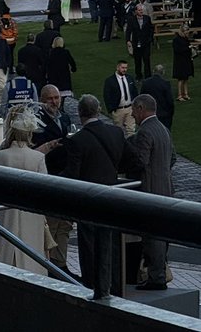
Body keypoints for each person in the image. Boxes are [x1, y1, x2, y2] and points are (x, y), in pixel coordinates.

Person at [64, 94, 125, 293]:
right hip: (113, 197)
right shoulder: (116, 133)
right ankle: (114, 286)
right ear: (98, 110)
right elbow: (132, 160)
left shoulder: (77, 140)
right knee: (112, 243)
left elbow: (72, 175)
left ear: (80, 113)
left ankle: (92, 287)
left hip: (88, 201)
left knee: (90, 247)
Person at [121, 94, 175, 290]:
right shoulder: (163, 129)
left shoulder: (145, 132)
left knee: (153, 236)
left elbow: (140, 161)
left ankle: (156, 277)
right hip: (166, 188)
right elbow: (173, 158)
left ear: (141, 108)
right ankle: (157, 274)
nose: (133, 115)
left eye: (134, 110)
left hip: (150, 190)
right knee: (161, 234)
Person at [0, 106, 49, 273]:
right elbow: (45, 189)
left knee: (6, 255)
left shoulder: (0, 156)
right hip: (32, 215)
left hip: (7, 214)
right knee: (33, 256)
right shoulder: (38, 158)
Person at [102, 59, 137, 135]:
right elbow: (107, 96)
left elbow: (134, 92)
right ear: (117, 67)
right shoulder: (110, 81)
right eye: (123, 68)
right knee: (118, 131)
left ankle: (131, 146)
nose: (125, 70)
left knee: (131, 130)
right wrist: (111, 110)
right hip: (118, 110)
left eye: (126, 68)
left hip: (130, 108)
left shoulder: (129, 78)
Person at [141, 64, 176, 131]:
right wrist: (170, 113)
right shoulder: (165, 84)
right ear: (163, 72)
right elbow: (170, 101)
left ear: (153, 71)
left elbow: (142, 99)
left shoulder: (145, 83)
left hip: (149, 114)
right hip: (163, 116)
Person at [125, 4, 155, 81]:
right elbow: (128, 31)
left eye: (142, 10)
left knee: (146, 59)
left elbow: (151, 29)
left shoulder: (147, 18)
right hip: (136, 42)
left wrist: (150, 39)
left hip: (146, 43)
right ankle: (138, 75)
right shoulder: (132, 20)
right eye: (139, 10)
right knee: (137, 60)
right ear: (135, 11)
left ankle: (148, 76)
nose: (141, 11)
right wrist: (128, 40)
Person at [172, 26, 194, 101]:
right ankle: (179, 95)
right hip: (180, 61)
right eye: (186, 32)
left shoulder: (185, 39)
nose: (187, 34)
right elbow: (178, 50)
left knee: (186, 78)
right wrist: (188, 48)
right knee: (180, 79)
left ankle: (186, 93)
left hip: (186, 60)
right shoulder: (176, 40)